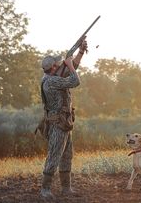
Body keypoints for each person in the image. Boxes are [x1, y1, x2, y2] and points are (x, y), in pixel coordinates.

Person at [39, 39, 87, 199]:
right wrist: (69, 63)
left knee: (67, 156)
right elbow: (75, 80)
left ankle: (66, 188)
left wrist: (79, 53)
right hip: (57, 123)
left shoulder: (52, 77)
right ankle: (45, 189)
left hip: (65, 122)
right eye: (58, 64)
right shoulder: (50, 82)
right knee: (54, 155)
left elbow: (70, 71)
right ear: (52, 68)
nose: (60, 65)